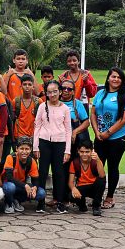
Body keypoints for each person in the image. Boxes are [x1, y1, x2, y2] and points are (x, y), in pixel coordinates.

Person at [90, 68, 125, 209]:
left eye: (119, 77)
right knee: (97, 166)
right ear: (108, 78)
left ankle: (110, 197)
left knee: (113, 167)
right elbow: (93, 113)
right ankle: (97, 195)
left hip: (118, 138)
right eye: (113, 76)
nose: (116, 79)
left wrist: (108, 133)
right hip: (100, 137)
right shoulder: (100, 93)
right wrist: (97, 132)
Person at [34, 80, 72, 214]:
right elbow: (37, 126)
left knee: (59, 173)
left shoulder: (65, 108)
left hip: (60, 143)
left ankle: (59, 201)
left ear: (60, 92)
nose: (52, 94)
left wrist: (67, 150)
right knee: (42, 172)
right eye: (49, 92)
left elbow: (68, 130)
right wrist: (35, 147)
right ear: (46, 93)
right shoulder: (42, 106)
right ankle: (40, 201)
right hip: (44, 142)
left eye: (55, 91)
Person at [2, 137, 43, 213]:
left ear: (30, 150)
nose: (24, 151)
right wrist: (25, 186)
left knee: (41, 193)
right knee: (11, 187)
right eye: (21, 149)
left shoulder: (31, 161)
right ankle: (8, 203)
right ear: (17, 149)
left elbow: (36, 179)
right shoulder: (11, 157)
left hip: (21, 186)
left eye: (27, 149)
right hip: (8, 184)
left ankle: (16, 200)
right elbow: (9, 177)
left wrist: (35, 188)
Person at [67, 139, 106, 216]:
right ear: (78, 151)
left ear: (92, 151)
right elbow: (70, 182)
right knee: (71, 196)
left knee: (102, 180)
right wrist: (74, 189)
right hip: (82, 187)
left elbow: (102, 176)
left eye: (87, 152)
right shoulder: (75, 163)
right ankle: (82, 205)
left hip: (94, 187)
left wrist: (98, 160)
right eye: (82, 152)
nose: (84, 154)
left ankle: (96, 206)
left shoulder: (95, 161)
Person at [60, 79, 90, 147]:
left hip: (74, 139)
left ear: (73, 92)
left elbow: (86, 122)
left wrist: (75, 132)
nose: (66, 90)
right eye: (63, 88)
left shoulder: (77, 103)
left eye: (69, 89)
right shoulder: (54, 102)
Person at [12, 75, 40, 143]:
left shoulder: (38, 101)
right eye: (24, 84)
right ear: (21, 86)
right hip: (18, 135)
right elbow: (12, 119)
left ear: (33, 86)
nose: (27, 86)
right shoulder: (16, 101)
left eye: (29, 84)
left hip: (34, 135)